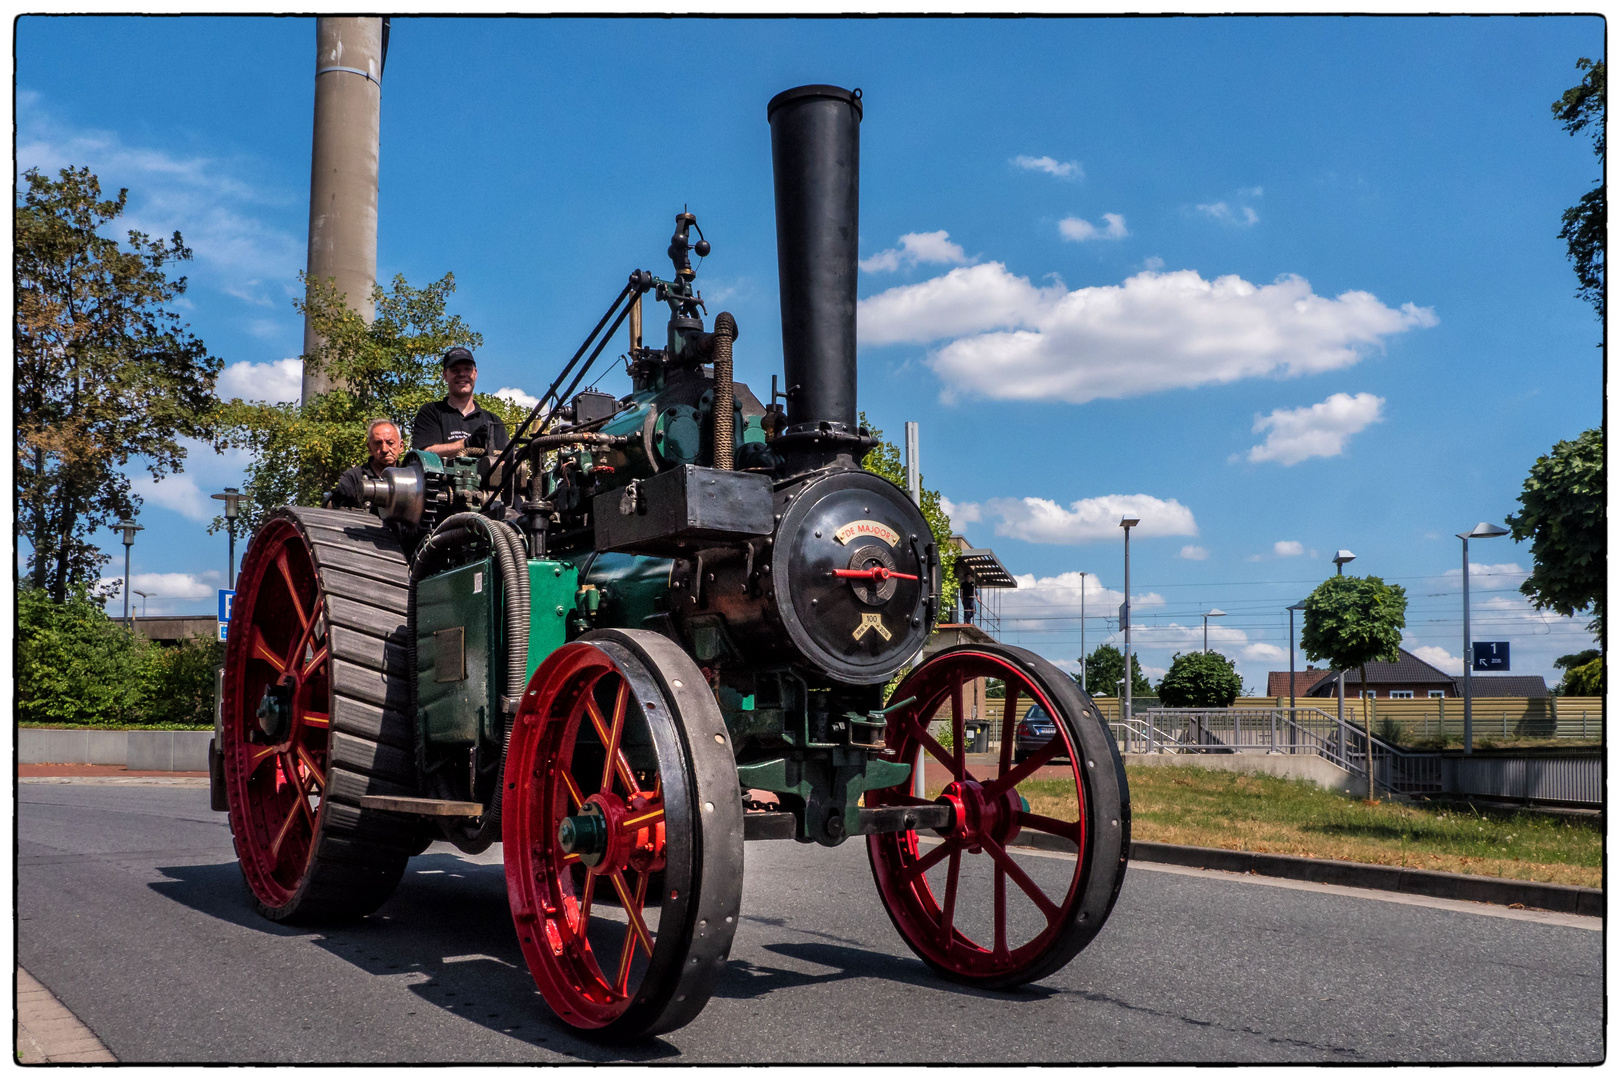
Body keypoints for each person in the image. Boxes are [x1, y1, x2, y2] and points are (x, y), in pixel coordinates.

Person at [411, 346, 509, 457]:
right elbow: (424, 455)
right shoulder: (431, 412)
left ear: (475, 373)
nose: (462, 374)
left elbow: (506, 460)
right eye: (455, 370)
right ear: (445, 375)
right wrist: (467, 443)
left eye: (467, 369)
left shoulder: (493, 420)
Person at [330, 418, 403, 509]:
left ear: (401, 446)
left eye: (390, 443)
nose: (385, 449)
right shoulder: (352, 479)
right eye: (378, 443)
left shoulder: (413, 480)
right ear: (369, 448)